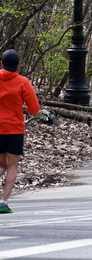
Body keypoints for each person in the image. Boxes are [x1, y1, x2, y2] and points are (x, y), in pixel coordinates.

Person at [0, 49, 40, 213]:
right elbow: (35, 109)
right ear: (18, 65)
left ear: (1, 64)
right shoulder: (23, 82)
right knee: (12, 166)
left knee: (1, 164)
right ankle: (3, 202)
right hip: (15, 128)